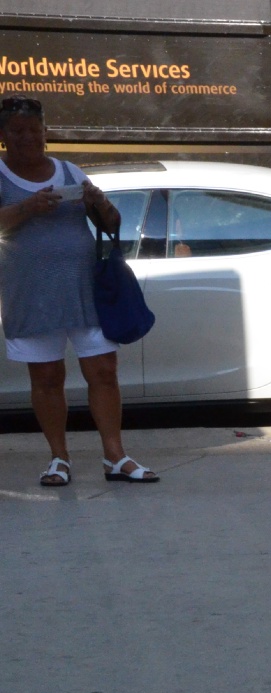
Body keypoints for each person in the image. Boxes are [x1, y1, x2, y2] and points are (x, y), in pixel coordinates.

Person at [0, 95, 153, 486]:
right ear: (3, 135)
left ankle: (115, 457)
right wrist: (28, 208)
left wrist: (99, 202)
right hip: (31, 295)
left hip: (86, 291)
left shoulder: (69, 171)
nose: (28, 138)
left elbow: (113, 223)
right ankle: (59, 458)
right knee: (47, 378)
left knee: (103, 372)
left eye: (35, 131)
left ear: (45, 133)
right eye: (18, 131)